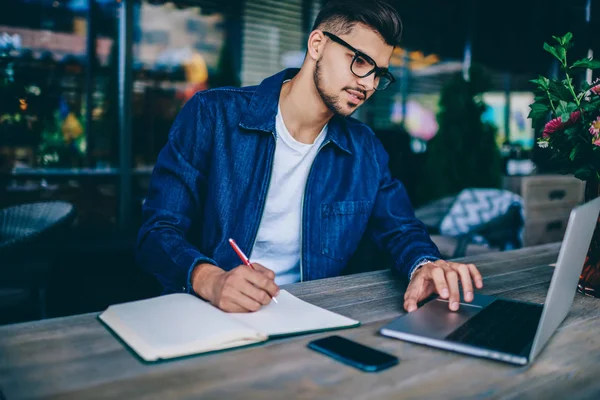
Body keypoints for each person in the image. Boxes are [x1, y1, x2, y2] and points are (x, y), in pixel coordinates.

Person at [136, 0, 483, 314]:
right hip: (209, 311)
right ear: (317, 45)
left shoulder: (365, 149)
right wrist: (210, 280)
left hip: (309, 315)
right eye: (359, 61)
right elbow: (157, 231)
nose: (369, 84)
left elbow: (402, 229)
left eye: (379, 73)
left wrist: (425, 264)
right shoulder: (212, 116)